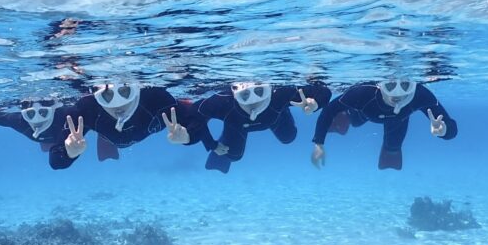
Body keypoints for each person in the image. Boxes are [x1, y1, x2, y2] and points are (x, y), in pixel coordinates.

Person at [49, 79, 216, 170]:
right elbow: (56, 161)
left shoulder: (156, 99)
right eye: (106, 96)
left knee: (191, 107)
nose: (117, 105)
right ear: (96, 95)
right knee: (100, 124)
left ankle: (104, 133)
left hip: (110, 128)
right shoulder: (86, 109)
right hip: (106, 129)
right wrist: (69, 153)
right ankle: (103, 134)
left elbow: (197, 123)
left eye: (124, 91)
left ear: (137, 88)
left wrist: (187, 136)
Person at [311, 80, 457, 171]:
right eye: (391, 85)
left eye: (405, 85)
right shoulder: (364, 93)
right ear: (381, 85)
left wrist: (444, 131)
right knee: (355, 120)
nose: (398, 94)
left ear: (413, 85)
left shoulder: (420, 94)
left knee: (393, 147)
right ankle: (346, 117)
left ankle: (348, 119)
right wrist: (319, 143)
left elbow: (451, 128)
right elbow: (329, 110)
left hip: (398, 120)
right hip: (367, 111)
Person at [194, 79, 333, 172]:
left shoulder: (280, 94)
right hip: (237, 124)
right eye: (245, 95)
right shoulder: (223, 102)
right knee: (234, 156)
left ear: (268, 89)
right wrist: (211, 144)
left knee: (289, 137)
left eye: (260, 91)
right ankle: (224, 136)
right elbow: (195, 115)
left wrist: (315, 104)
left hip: (274, 117)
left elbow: (324, 91)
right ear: (235, 94)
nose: (253, 102)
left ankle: (284, 109)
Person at [0, 97, 74, 153]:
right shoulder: (21, 121)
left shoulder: (20, 122)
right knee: (46, 149)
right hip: (57, 138)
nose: (37, 119)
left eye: (43, 112)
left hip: (51, 138)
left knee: (46, 149)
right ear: (24, 112)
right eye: (30, 114)